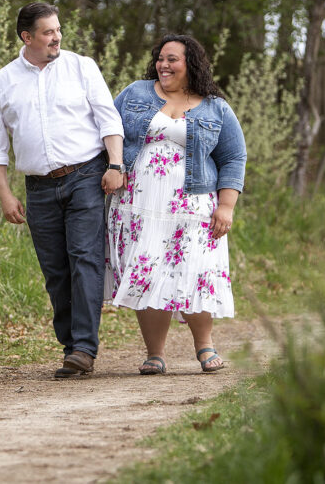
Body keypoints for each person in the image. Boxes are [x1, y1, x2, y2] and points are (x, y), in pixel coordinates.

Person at [0, 2, 125, 379]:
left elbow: (108, 118)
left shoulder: (82, 67)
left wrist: (115, 164)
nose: (56, 37)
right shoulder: (2, 81)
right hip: (38, 188)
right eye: (48, 32)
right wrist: (5, 193)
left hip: (86, 176)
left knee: (84, 258)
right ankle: (70, 345)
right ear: (27, 37)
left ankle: (82, 348)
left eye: (58, 30)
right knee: (55, 271)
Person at [104, 34, 246, 374]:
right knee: (147, 267)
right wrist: (111, 167)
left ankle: (204, 346)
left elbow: (234, 157)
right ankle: (155, 353)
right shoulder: (135, 93)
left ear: (190, 64)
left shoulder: (215, 107)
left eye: (172, 59)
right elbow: (107, 129)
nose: (163, 65)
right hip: (139, 204)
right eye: (160, 58)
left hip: (193, 204)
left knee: (194, 269)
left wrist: (226, 206)